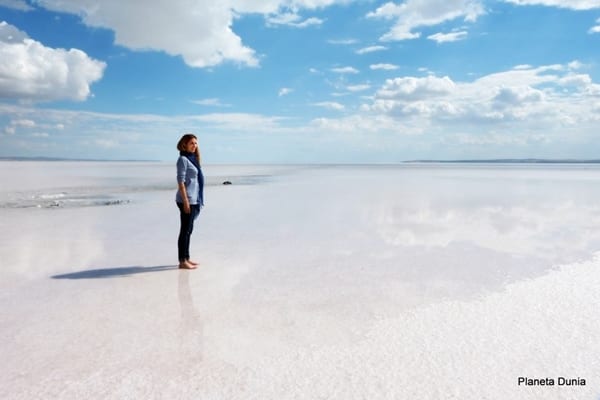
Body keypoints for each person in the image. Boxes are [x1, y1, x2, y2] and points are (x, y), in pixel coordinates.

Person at [175, 134, 204, 269]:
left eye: (196, 143)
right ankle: (182, 261)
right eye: (192, 143)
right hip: (186, 200)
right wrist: (186, 201)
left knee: (189, 230)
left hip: (194, 200)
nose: (194, 145)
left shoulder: (193, 159)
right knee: (185, 230)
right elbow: (180, 182)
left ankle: (186, 257)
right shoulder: (183, 159)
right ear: (184, 144)